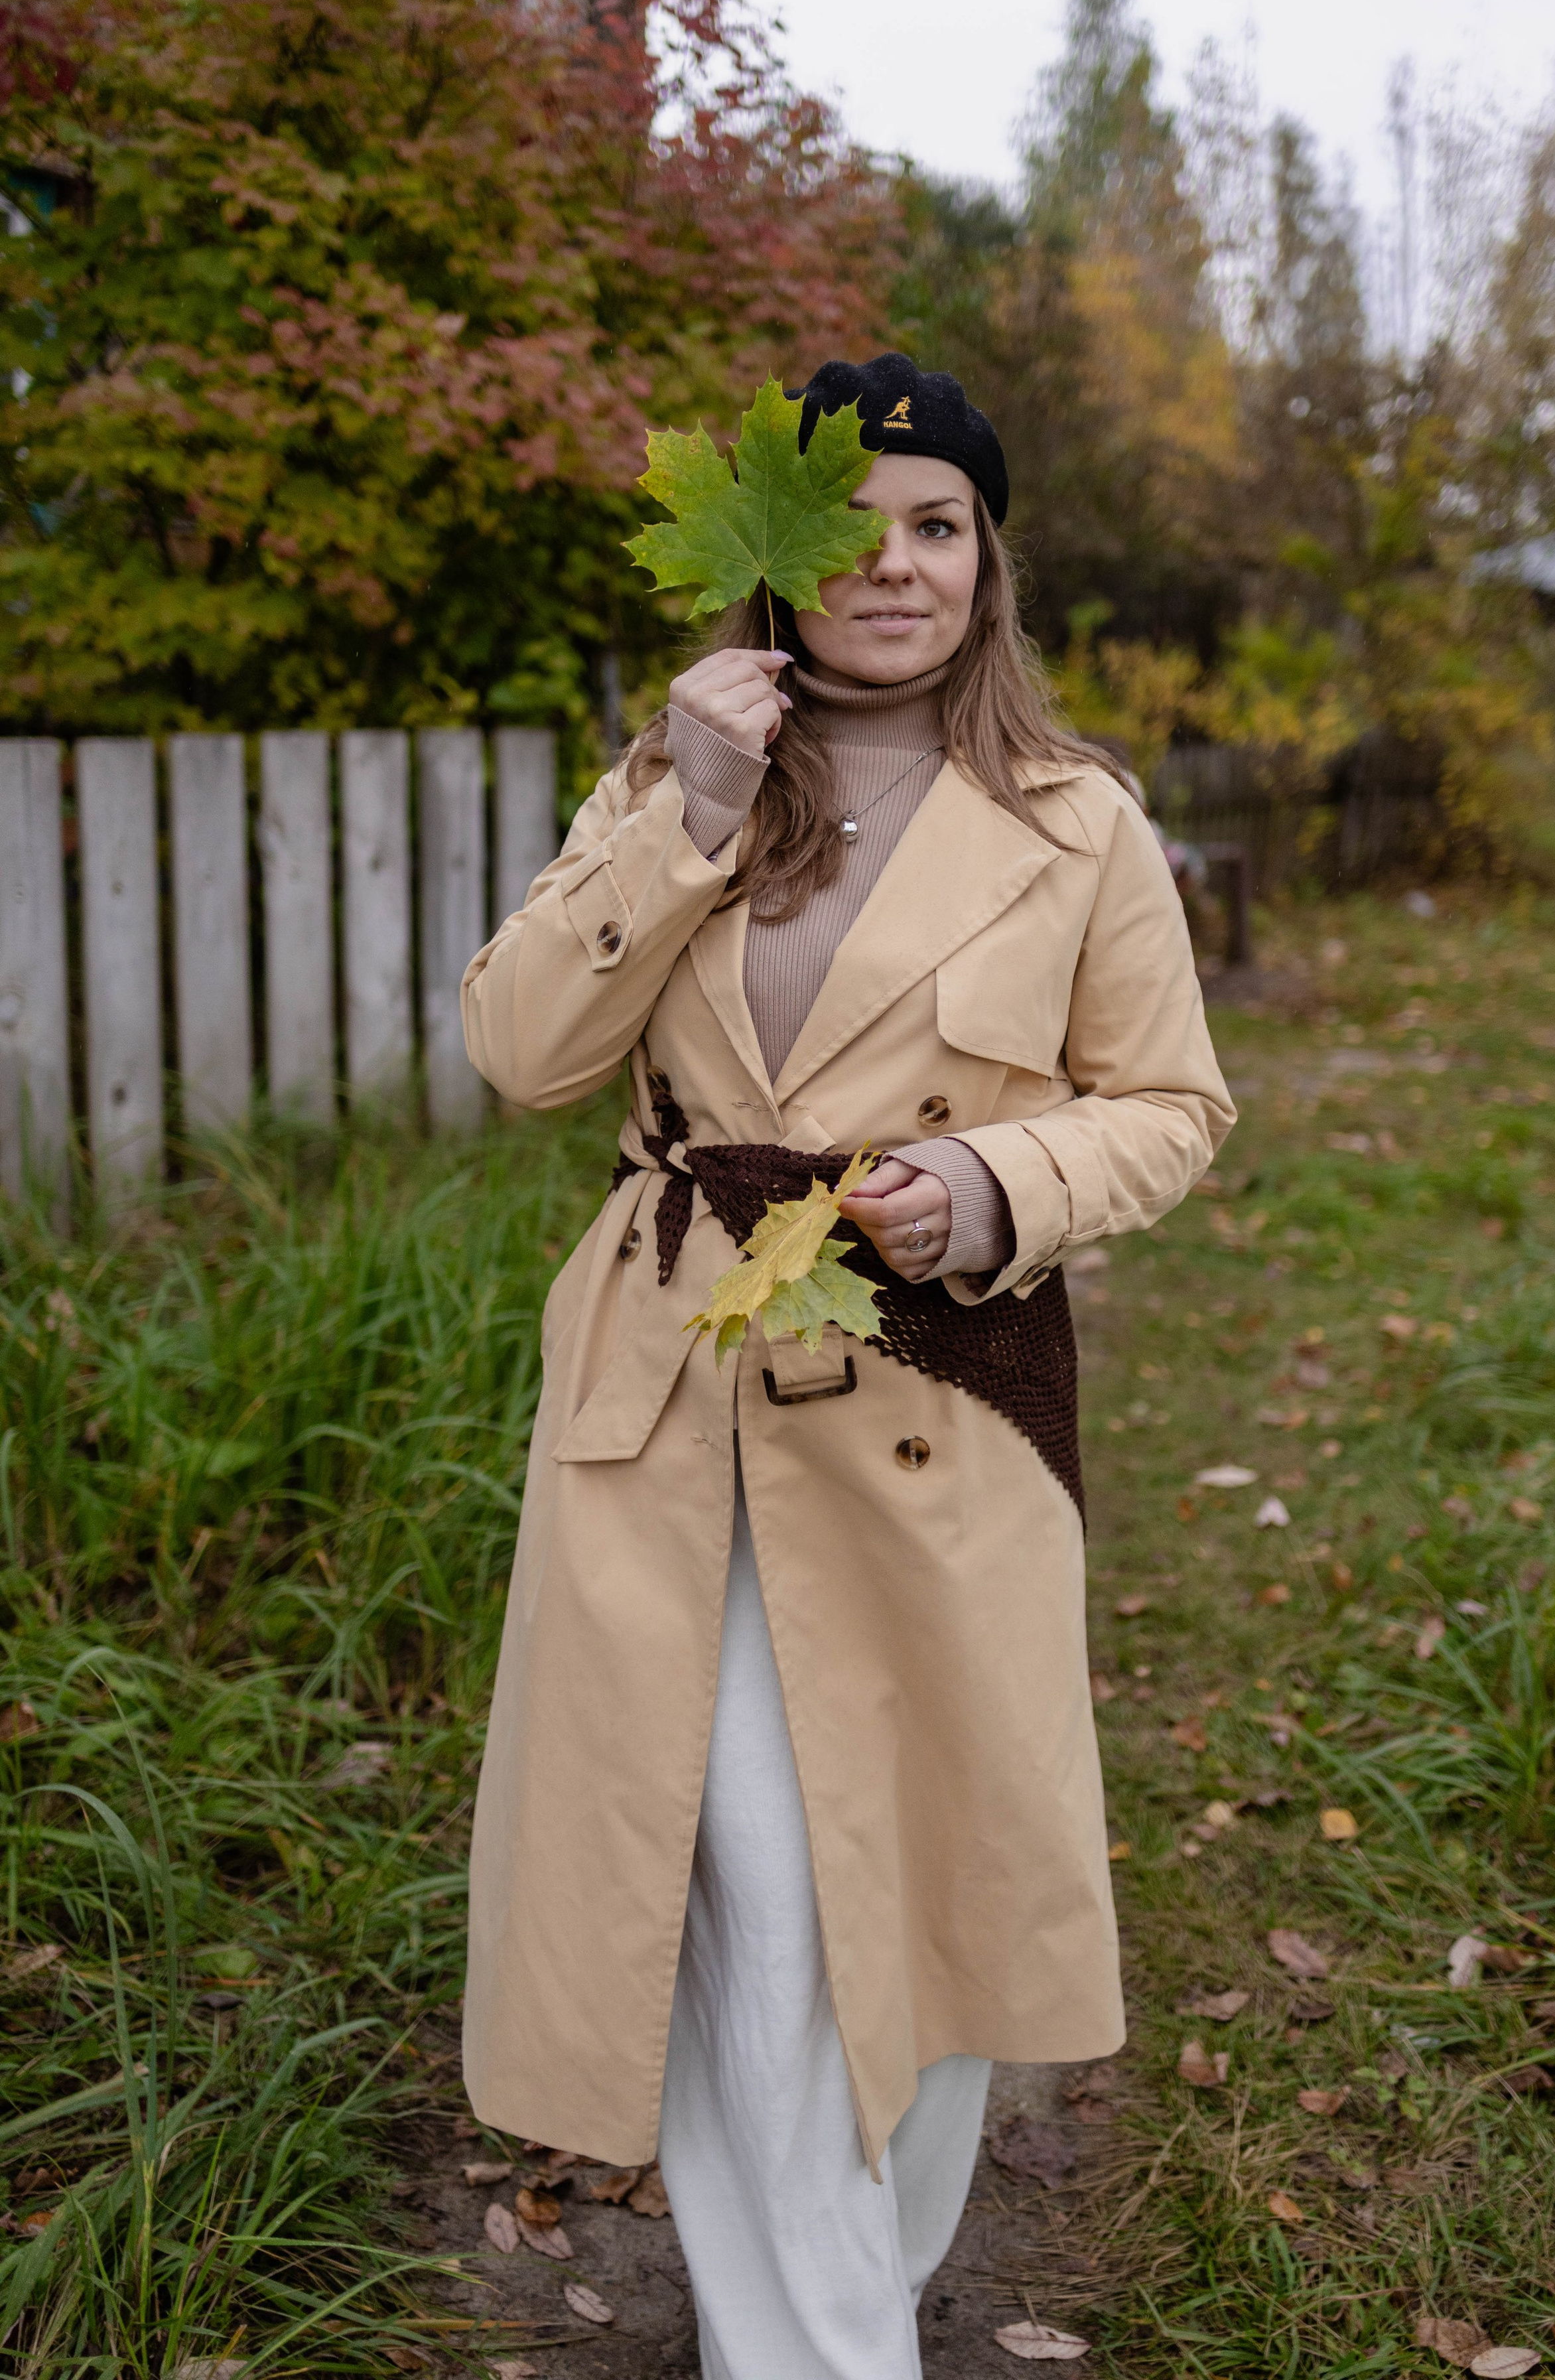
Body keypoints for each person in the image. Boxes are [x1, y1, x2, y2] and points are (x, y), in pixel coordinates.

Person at [458, 352, 1235, 2379]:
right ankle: (818, 2351)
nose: (895, 567)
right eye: (852, 531)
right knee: (762, 1892)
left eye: (938, 526)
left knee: (926, 1889)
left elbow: (1172, 1106)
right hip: (669, 1398)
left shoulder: (1076, 822)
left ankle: (841, 2293)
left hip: (940, 1397)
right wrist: (695, 814)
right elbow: (521, 1052)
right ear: (775, 563)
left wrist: (993, 1181)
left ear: (989, 558)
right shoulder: (670, 786)